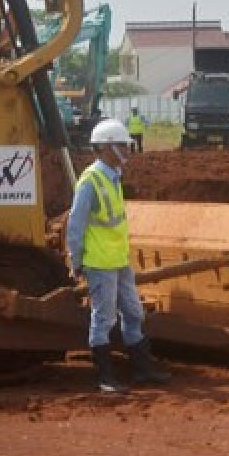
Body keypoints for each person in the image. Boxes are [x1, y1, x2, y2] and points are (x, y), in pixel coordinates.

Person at [66, 119, 171, 393]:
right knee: (103, 318)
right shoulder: (91, 180)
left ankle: (142, 371)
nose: (128, 149)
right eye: (123, 145)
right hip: (100, 263)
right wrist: (75, 261)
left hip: (118, 260)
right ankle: (105, 378)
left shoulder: (113, 177)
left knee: (134, 312)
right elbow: (75, 224)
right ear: (107, 148)